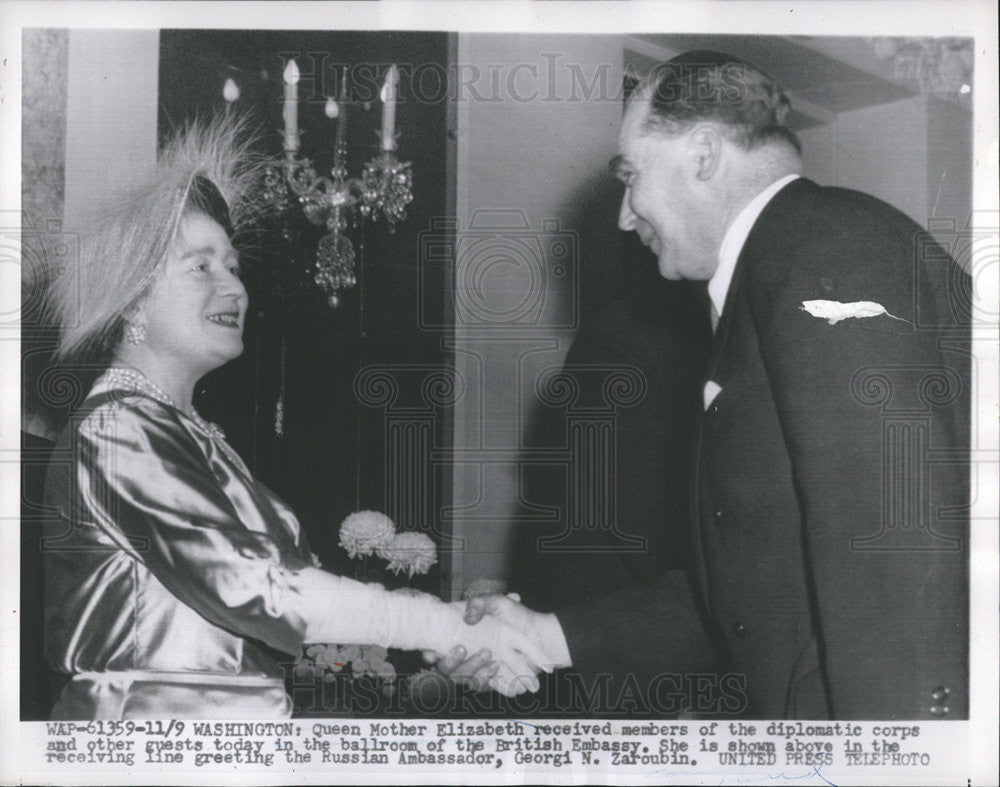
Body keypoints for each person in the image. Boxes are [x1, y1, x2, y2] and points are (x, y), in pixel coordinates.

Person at [455, 50, 970, 720]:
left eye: (631, 175)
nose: (623, 214)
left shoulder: (822, 251)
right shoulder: (779, 270)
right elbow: (760, 591)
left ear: (702, 153)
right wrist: (545, 636)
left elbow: (893, 568)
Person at [40, 118, 547, 720]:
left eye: (233, 264)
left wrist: (446, 636)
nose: (235, 286)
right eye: (200, 266)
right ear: (131, 304)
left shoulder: (182, 431)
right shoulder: (118, 430)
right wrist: (443, 628)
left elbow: (289, 598)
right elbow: (262, 588)